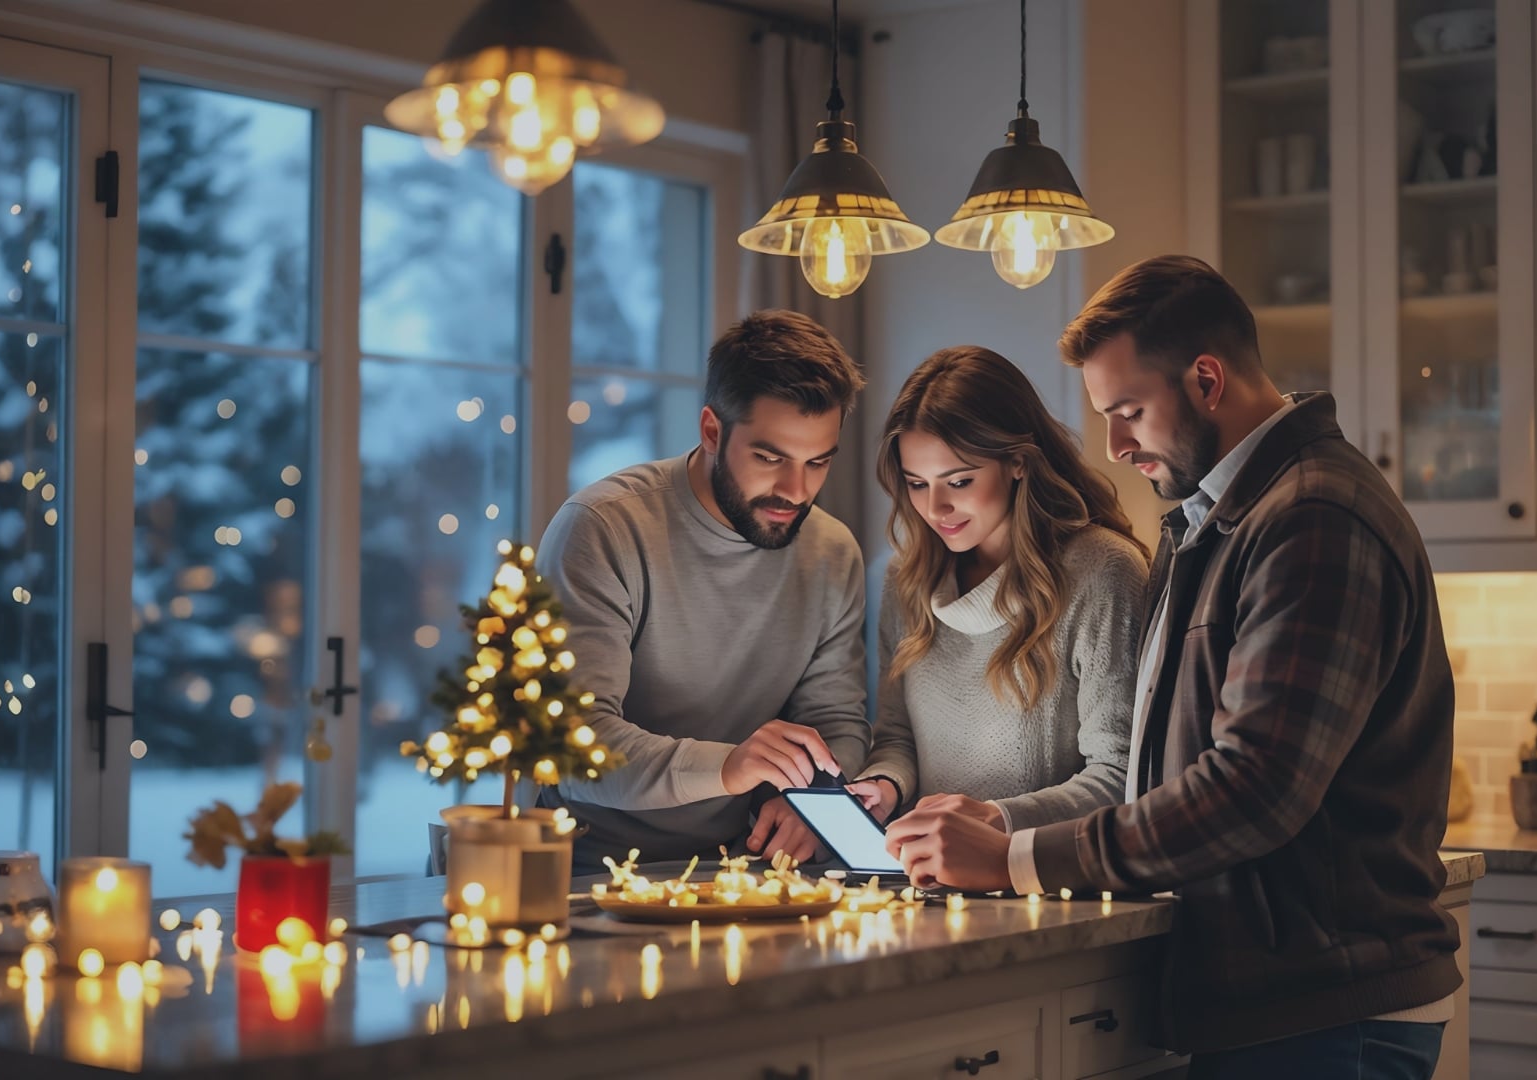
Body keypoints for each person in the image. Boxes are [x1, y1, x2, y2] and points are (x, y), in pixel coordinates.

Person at [885, 256, 1460, 1078]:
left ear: (1206, 379)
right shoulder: (1223, 521)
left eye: (1129, 412)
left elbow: (1255, 789)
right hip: (1280, 1002)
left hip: (1333, 1006)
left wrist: (1017, 858)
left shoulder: (1314, 518)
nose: (1116, 446)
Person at [536, 309, 870, 873]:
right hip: (588, 870)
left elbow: (835, 722)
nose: (796, 490)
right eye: (770, 458)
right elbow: (571, 744)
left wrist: (814, 802)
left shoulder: (832, 553)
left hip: (749, 869)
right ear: (712, 431)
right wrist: (728, 767)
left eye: (818, 462)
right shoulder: (602, 526)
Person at [848, 346, 1147, 838]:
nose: (936, 507)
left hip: (1046, 884)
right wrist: (886, 783)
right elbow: (898, 736)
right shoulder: (906, 577)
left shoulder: (1102, 573)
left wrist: (997, 820)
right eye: (916, 484)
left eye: (959, 480)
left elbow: (1120, 776)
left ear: (1018, 463)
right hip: (929, 878)